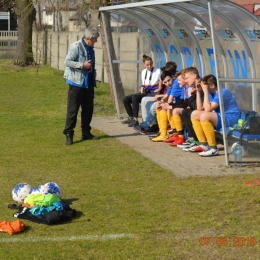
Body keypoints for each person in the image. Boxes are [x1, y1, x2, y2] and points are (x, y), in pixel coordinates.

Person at [63, 28, 100, 145]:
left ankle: (86, 132)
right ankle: (69, 133)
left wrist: (92, 71)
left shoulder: (91, 48)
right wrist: (82, 65)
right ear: (90, 38)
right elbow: (67, 62)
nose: (96, 41)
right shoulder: (76, 46)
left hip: (88, 83)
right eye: (95, 39)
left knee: (88, 109)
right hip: (76, 83)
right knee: (73, 110)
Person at [190, 74, 241, 156]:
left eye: (204, 86)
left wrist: (206, 92)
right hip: (222, 116)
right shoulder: (211, 93)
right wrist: (198, 92)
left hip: (232, 117)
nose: (203, 88)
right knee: (194, 114)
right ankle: (203, 144)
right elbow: (200, 109)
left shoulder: (222, 92)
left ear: (212, 85)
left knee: (204, 116)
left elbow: (207, 110)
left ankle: (213, 148)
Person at [121, 54, 161, 127]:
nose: (149, 66)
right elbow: (144, 83)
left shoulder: (158, 71)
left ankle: (136, 120)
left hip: (152, 93)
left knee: (135, 97)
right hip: (145, 92)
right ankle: (131, 117)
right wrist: (141, 87)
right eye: (147, 65)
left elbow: (161, 81)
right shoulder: (143, 72)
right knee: (125, 99)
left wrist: (159, 88)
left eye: (151, 64)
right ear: (144, 65)